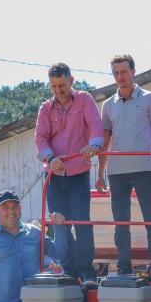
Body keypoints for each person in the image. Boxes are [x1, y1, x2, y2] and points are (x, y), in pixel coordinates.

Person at [96, 54, 151, 280]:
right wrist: (99, 173)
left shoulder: (149, 98)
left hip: (144, 168)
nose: (120, 77)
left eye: (124, 72)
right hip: (117, 172)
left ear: (133, 72)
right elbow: (104, 141)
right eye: (116, 73)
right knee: (121, 225)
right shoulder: (108, 105)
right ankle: (124, 270)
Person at [35, 62, 104, 282]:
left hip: (78, 173)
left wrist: (93, 145)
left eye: (62, 85)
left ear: (71, 81)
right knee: (59, 224)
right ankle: (68, 268)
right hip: (54, 176)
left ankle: (85, 269)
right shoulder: (45, 108)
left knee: (82, 222)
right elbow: (40, 138)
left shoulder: (85, 100)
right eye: (54, 86)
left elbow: (95, 125)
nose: (58, 90)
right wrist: (50, 158)